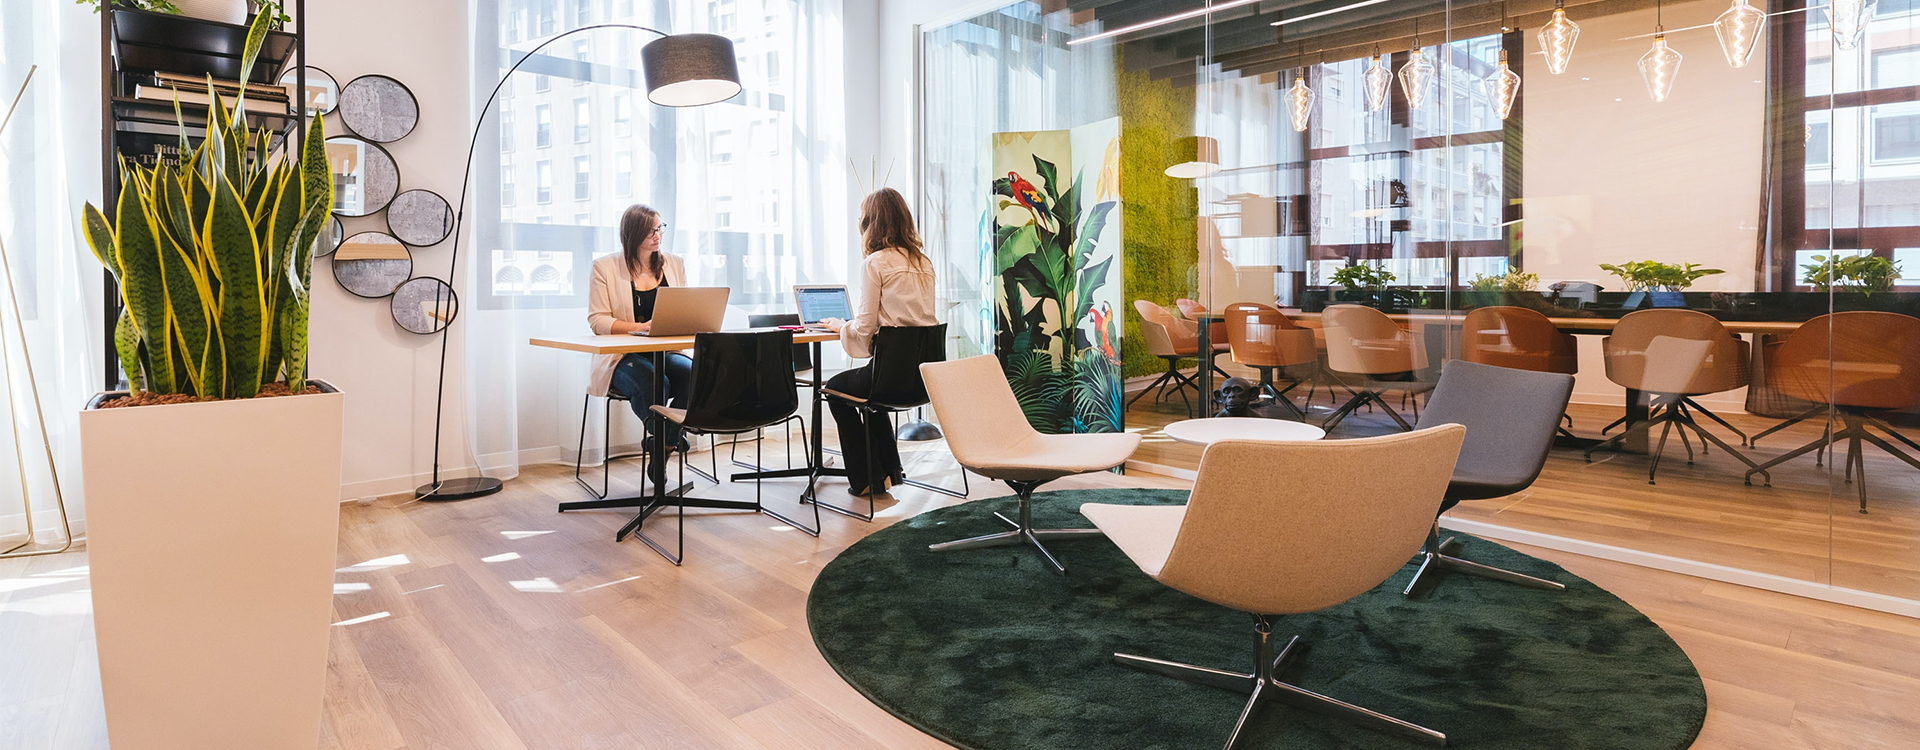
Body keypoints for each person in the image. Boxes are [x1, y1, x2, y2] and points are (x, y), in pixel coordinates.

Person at [819, 188, 939, 496]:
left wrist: (840, 326)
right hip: (923, 379)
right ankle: (891, 472)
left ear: (871, 222)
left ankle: (865, 479)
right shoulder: (924, 263)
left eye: (862, 216)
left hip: (889, 376)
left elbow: (865, 326)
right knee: (872, 395)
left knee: (835, 390)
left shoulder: (875, 263)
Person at [587, 204, 691, 487]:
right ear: (632, 234)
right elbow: (597, 320)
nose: (658, 235)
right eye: (651, 230)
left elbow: (685, 307)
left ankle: (662, 445)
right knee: (654, 383)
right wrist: (640, 328)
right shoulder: (605, 267)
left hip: (667, 350)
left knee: (696, 375)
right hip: (621, 355)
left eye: (660, 228)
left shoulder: (673, 263)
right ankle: (670, 438)